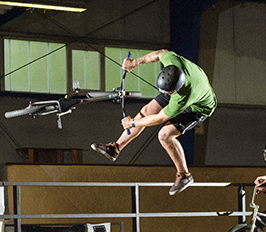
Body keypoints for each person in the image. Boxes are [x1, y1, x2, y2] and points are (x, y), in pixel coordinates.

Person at [91, 49, 217, 195]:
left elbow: (160, 119)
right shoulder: (172, 61)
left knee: (165, 135)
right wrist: (134, 63)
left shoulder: (184, 96)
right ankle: (115, 148)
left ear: (177, 88)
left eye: (168, 93)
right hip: (182, 90)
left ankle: (184, 175)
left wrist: (133, 123)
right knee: (147, 110)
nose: (165, 95)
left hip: (199, 107)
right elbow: (159, 54)